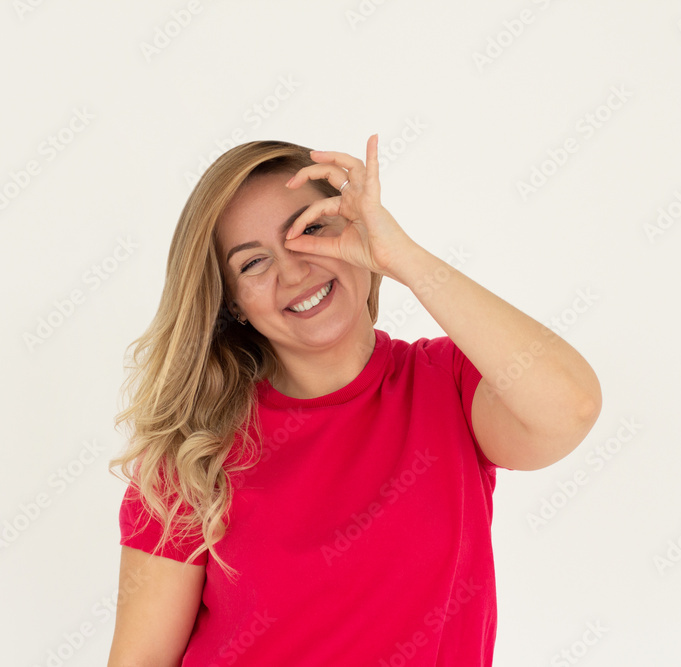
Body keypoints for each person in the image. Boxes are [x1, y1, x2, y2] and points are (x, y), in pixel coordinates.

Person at [106, 135, 602, 666]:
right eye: (253, 264)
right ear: (235, 305)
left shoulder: (450, 385)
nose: (293, 272)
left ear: (356, 232)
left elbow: (569, 407)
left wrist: (404, 258)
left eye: (311, 231)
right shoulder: (193, 457)